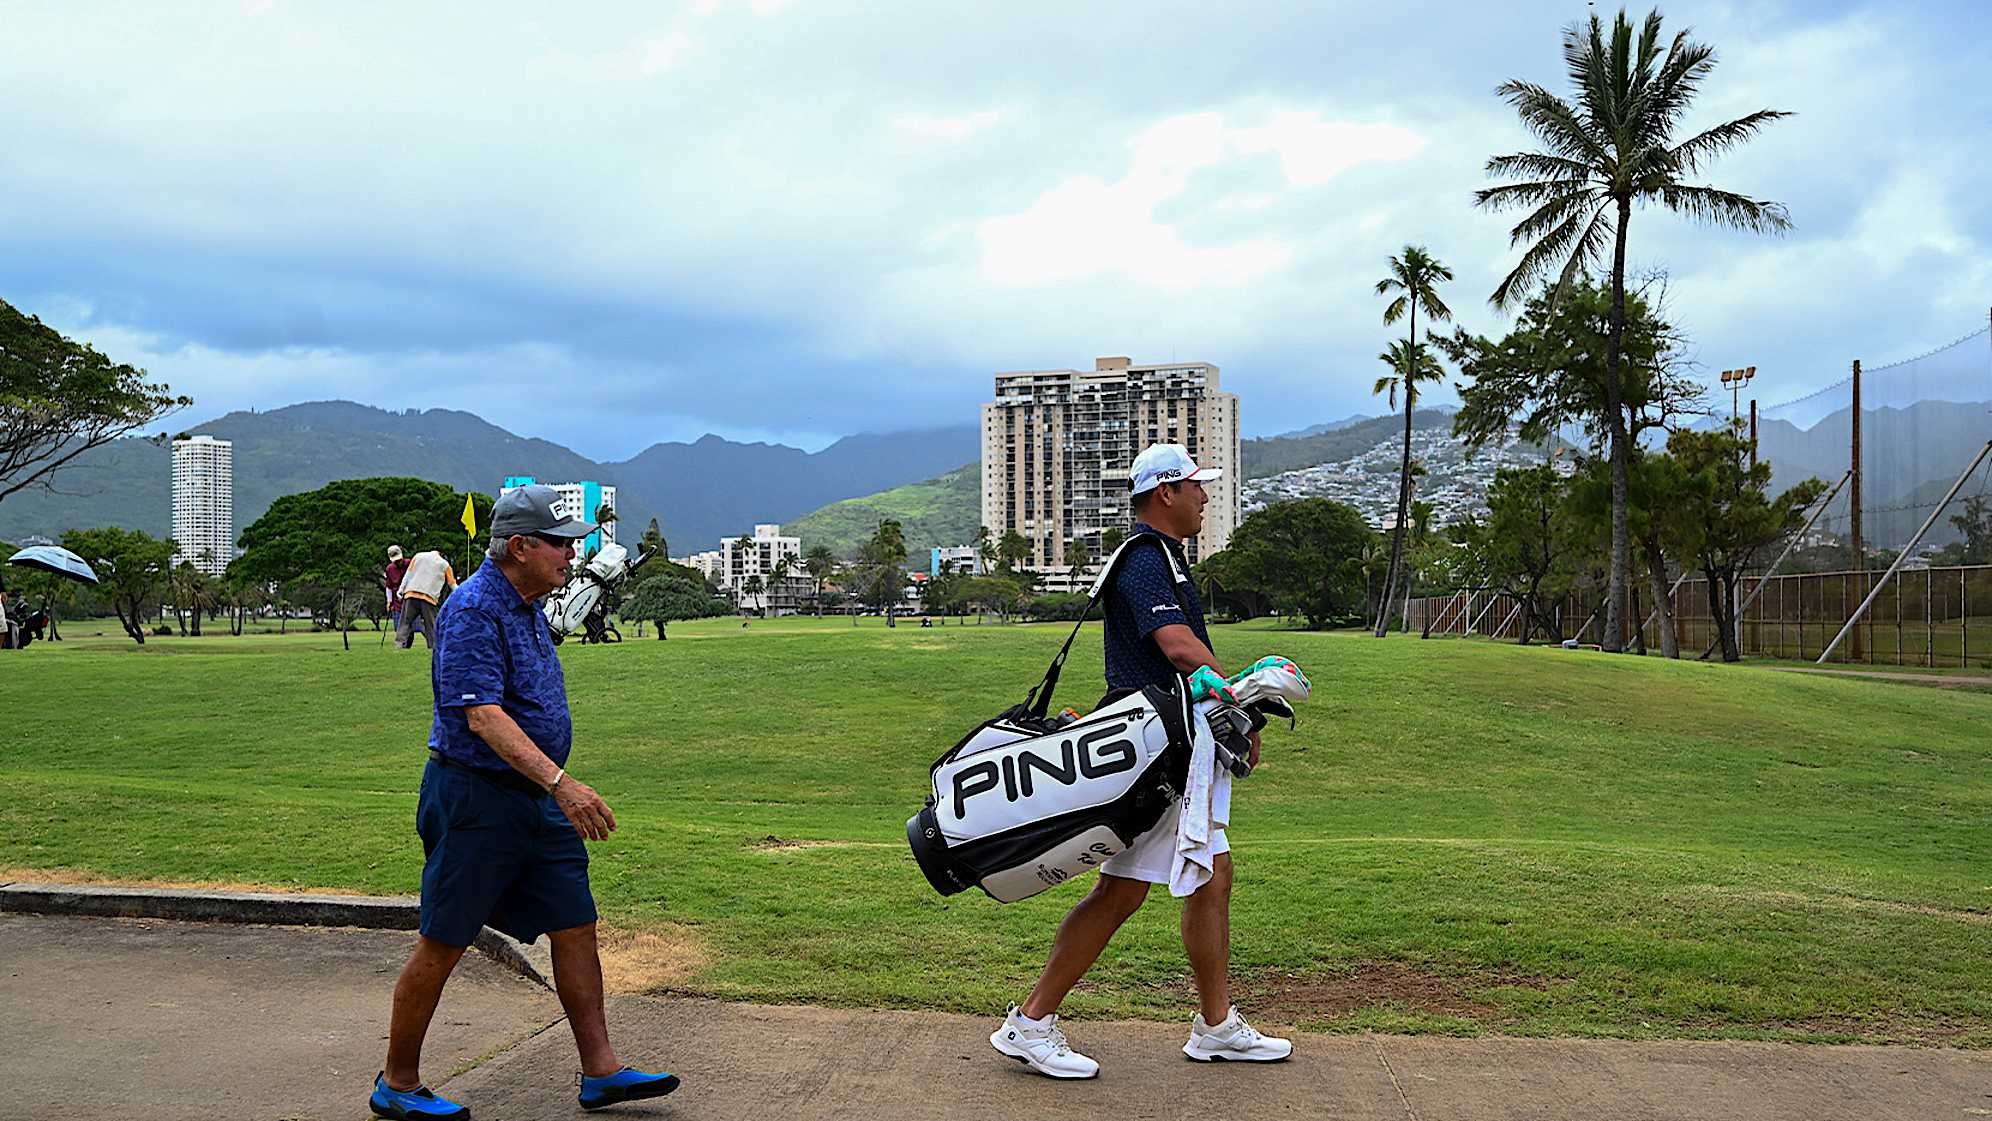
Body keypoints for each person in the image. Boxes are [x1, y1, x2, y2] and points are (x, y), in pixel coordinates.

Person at [369, 485, 679, 1120]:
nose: (571, 554)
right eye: (561, 543)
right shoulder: (474, 610)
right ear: (520, 547)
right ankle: (396, 1083)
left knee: (575, 922)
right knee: (446, 936)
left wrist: (551, 787)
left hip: (535, 799)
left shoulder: (527, 605)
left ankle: (601, 1072)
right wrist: (562, 783)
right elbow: (482, 715)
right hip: (479, 799)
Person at [990, 443, 1292, 1079]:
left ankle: (1214, 1026)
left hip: (1172, 740)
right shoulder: (1145, 558)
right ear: (1166, 494)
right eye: (1197, 488)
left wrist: (1236, 715)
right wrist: (1240, 699)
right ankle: (1031, 1022)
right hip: (1150, 747)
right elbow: (1178, 648)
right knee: (1121, 891)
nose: (1206, 498)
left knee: (1211, 876)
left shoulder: (1166, 558)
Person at [395, 548, 458, 651]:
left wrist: (401, 589)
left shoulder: (418, 556)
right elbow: (452, 585)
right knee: (431, 625)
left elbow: (408, 575)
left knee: (405, 622)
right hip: (428, 597)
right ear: (441, 554)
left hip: (411, 594)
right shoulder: (445, 564)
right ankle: (433, 647)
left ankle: (399, 645)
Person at [383, 546, 410, 643]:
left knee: (412, 627)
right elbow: (389, 587)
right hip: (397, 602)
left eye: (399, 560)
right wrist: (389, 601)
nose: (398, 562)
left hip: (410, 600)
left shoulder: (410, 564)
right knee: (399, 626)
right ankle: (401, 645)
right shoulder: (389, 569)